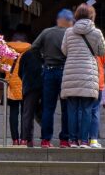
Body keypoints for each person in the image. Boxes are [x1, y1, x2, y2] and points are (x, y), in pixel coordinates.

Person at [60, 4, 105, 150]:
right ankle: (85, 141)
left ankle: (73, 141)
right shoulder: (97, 32)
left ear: (77, 16)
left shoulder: (68, 32)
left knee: (72, 108)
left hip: (71, 72)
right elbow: (102, 51)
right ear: (92, 16)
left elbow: (64, 50)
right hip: (89, 73)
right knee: (87, 108)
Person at [31, 9, 73, 147]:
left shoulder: (46, 32)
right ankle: (65, 140)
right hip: (65, 72)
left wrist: (42, 60)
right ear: (69, 21)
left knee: (48, 107)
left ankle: (45, 139)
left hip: (49, 71)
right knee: (66, 107)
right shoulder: (70, 33)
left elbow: (34, 48)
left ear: (58, 20)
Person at [1, 32, 33, 145]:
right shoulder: (30, 50)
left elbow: (2, 69)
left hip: (12, 86)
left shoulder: (7, 50)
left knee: (13, 113)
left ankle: (15, 139)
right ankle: (25, 139)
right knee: (26, 113)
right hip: (27, 85)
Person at [17, 31, 43, 148]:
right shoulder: (45, 54)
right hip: (44, 86)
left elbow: (19, 72)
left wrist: (25, 81)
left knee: (27, 113)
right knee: (44, 112)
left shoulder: (26, 54)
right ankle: (46, 139)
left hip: (29, 87)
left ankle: (26, 139)